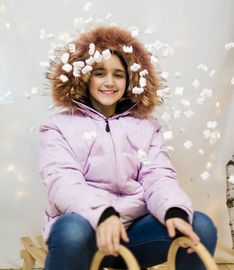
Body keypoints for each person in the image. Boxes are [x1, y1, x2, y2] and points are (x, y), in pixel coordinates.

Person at [39, 26, 217, 270]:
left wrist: (173, 211)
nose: (109, 82)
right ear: (85, 76)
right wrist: (103, 215)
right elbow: (63, 182)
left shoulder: (147, 127)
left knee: (200, 226)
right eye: (100, 73)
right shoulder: (58, 126)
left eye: (119, 74)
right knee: (70, 231)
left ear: (131, 78)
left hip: (136, 234)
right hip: (87, 231)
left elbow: (158, 176)